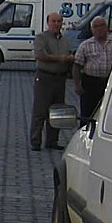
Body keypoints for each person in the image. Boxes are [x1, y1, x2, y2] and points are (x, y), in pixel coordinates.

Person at [30, 12, 74, 151]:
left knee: (57, 111)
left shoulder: (65, 40)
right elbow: (41, 55)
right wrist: (62, 58)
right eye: (53, 21)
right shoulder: (41, 38)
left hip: (60, 78)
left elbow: (70, 56)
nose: (56, 24)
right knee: (40, 111)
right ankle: (35, 141)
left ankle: (52, 141)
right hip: (44, 77)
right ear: (48, 23)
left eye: (59, 21)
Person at [73, 16, 112, 121]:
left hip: (110, 82)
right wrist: (77, 85)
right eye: (96, 26)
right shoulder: (85, 45)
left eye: (102, 25)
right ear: (92, 30)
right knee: (87, 114)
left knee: (109, 114)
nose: (99, 29)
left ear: (107, 27)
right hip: (91, 84)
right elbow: (77, 66)